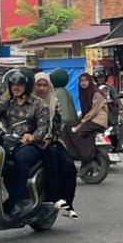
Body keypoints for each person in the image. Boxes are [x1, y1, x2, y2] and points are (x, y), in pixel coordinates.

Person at [0, 68, 49, 214]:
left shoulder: (39, 104)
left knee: (20, 159)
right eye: (13, 84)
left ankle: (20, 199)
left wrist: (33, 136)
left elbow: (43, 127)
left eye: (19, 84)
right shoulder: (6, 102)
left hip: (30, 146)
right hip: (9, 142)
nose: (16, 87)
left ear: (28, 85)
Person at [32, 72, 80, 220]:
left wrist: (49, 139)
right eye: (38, 85)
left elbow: (58, 125)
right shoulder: (27, 101)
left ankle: (66, 201)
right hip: (28, 140)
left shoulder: (55, 101)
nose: (41, 88)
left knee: (68, 165)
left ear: (49, 86)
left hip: (49, 141)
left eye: (44, 85)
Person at [67, 72, 109, 161]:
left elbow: (93, 111)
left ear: (90, 81)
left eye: (85, 80)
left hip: (98, 120)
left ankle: (87, 156)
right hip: (91, 119)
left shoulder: (96, 93)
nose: (83, 83)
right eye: (81, 81)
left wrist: (81, 123)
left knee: (78, 134)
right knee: (69, 128)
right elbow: (85, 111)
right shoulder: (83, 93)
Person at [93, 65, 123, 153]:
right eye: (98, 77)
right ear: (95, 78)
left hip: (110, 113)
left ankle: (118, 145)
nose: (100, 79)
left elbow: (116, 98)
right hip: (95, 113)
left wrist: (120, 105)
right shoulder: (93, 88)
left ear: (106, 77)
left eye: (102, 77)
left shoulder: (110, 88)